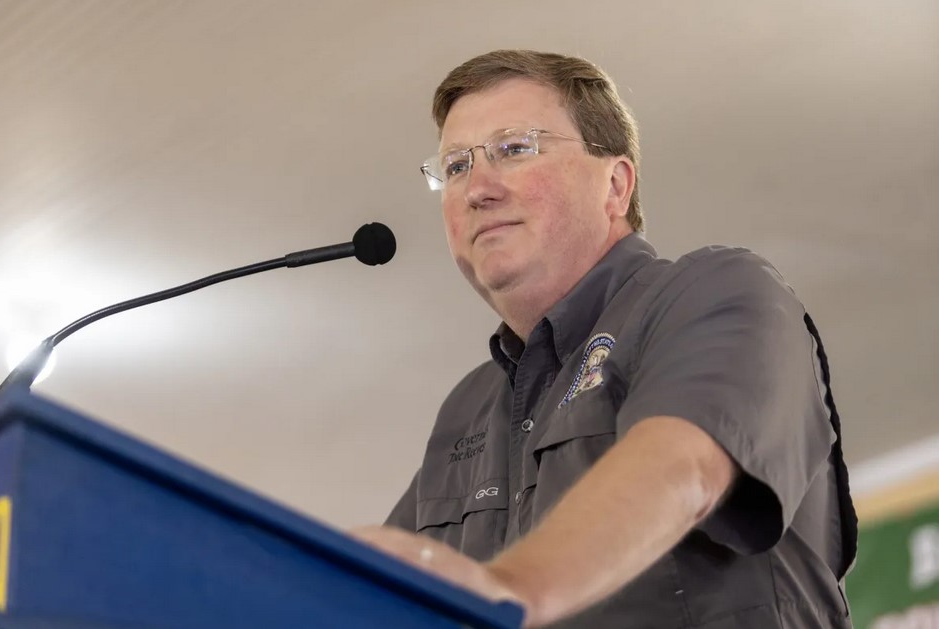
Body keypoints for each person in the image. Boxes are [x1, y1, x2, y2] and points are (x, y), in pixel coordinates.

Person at [353, 49, 857, 628]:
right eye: (457, 165)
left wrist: (511, 590)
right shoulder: (466, 409)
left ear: (615, 186)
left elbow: (682, 467)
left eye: (513, 149)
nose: (476, 189)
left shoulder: (714, 290)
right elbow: (371, 595)